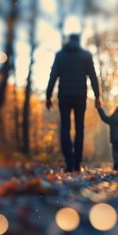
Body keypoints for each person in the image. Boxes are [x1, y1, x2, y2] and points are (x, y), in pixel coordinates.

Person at [46, 34, 101, 172]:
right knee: (79, 129)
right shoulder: (86, 55)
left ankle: (69, 163)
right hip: (80, 96)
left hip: (64, 96)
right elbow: (93, 76)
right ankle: (77, 163)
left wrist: (48, 96)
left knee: (65, 129)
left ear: (68, 41)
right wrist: (97, 96)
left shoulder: (60, 55)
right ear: (78, 41)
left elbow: (53, 76)